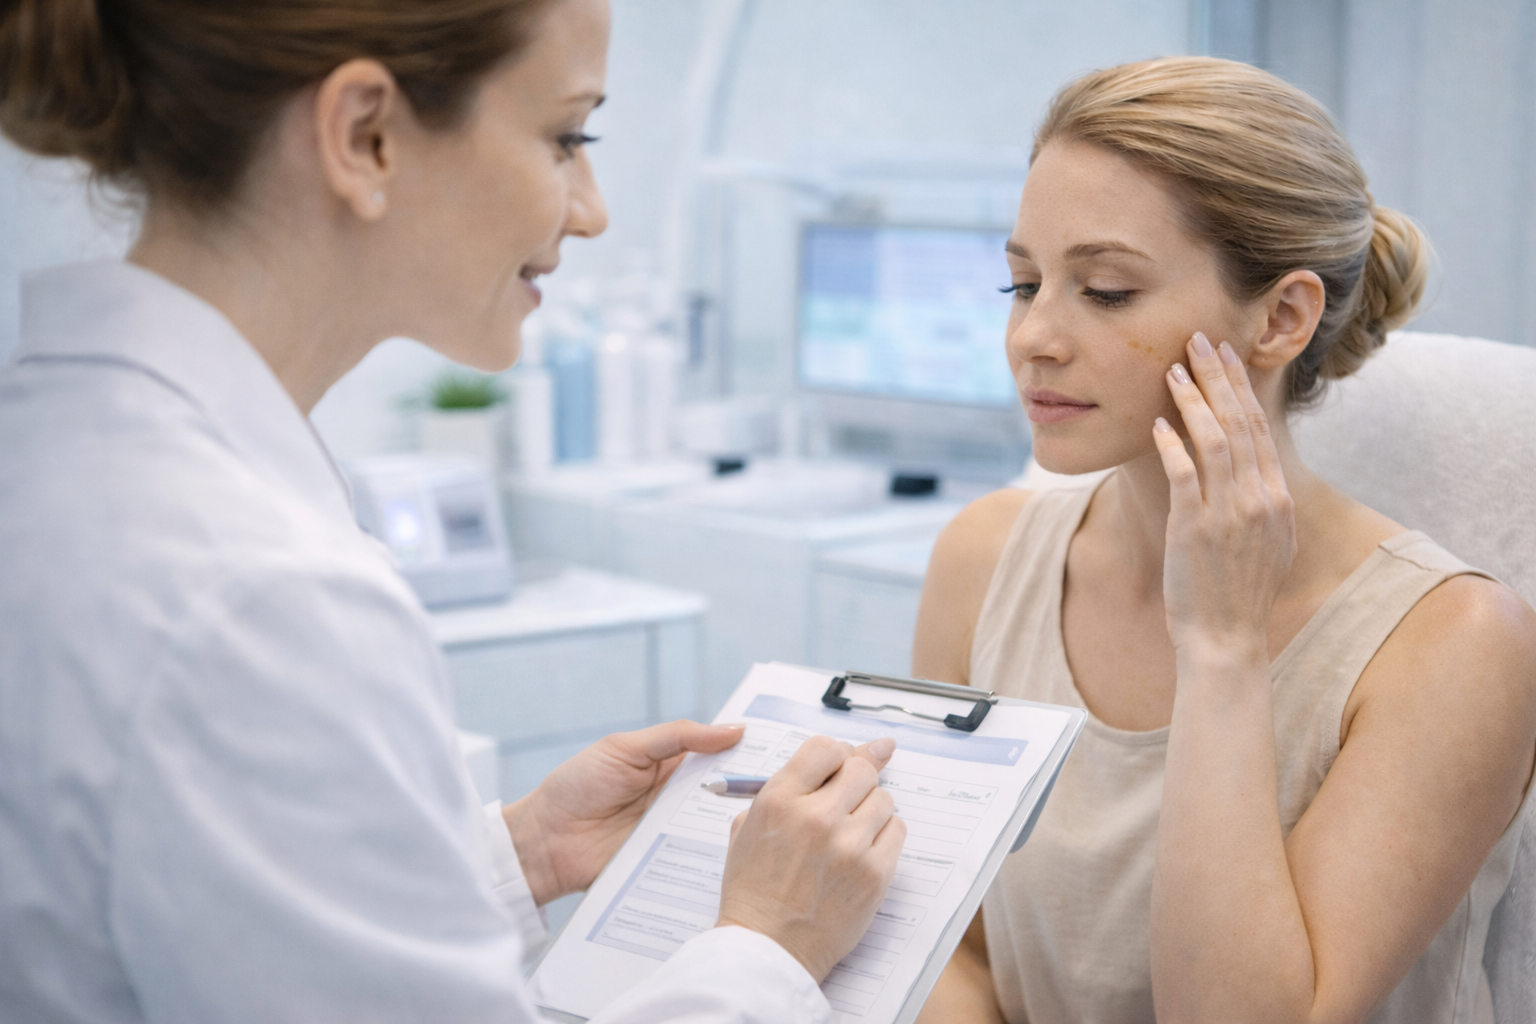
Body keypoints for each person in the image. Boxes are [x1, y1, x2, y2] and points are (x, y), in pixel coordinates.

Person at [0, 1, 906, 1021]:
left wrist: (518, 852)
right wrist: (768, 946)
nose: (592, 207)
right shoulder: (257, 592)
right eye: (568, 136)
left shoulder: (72, 455)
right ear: (364, 137)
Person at [912, 57, 1536, 1024]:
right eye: (1023, 283)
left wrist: (1223, 644)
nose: (1034, 335)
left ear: (1282, 318)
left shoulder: (1457, 648)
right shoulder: (982, 560)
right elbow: (950, 941)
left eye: (1106, 291)